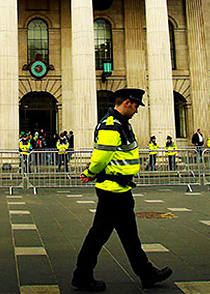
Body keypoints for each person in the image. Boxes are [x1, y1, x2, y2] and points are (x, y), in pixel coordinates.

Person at [72, 88, 172, 292]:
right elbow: (102, 156)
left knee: (127, 235)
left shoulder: (120, 123)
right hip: (112, 190)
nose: (137, 110)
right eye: (136, 106)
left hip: (120, 188)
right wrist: (91, 172)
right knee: (101, 235)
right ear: (127, 102)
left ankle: (146, 273)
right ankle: (82, 276)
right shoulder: (111, 125)